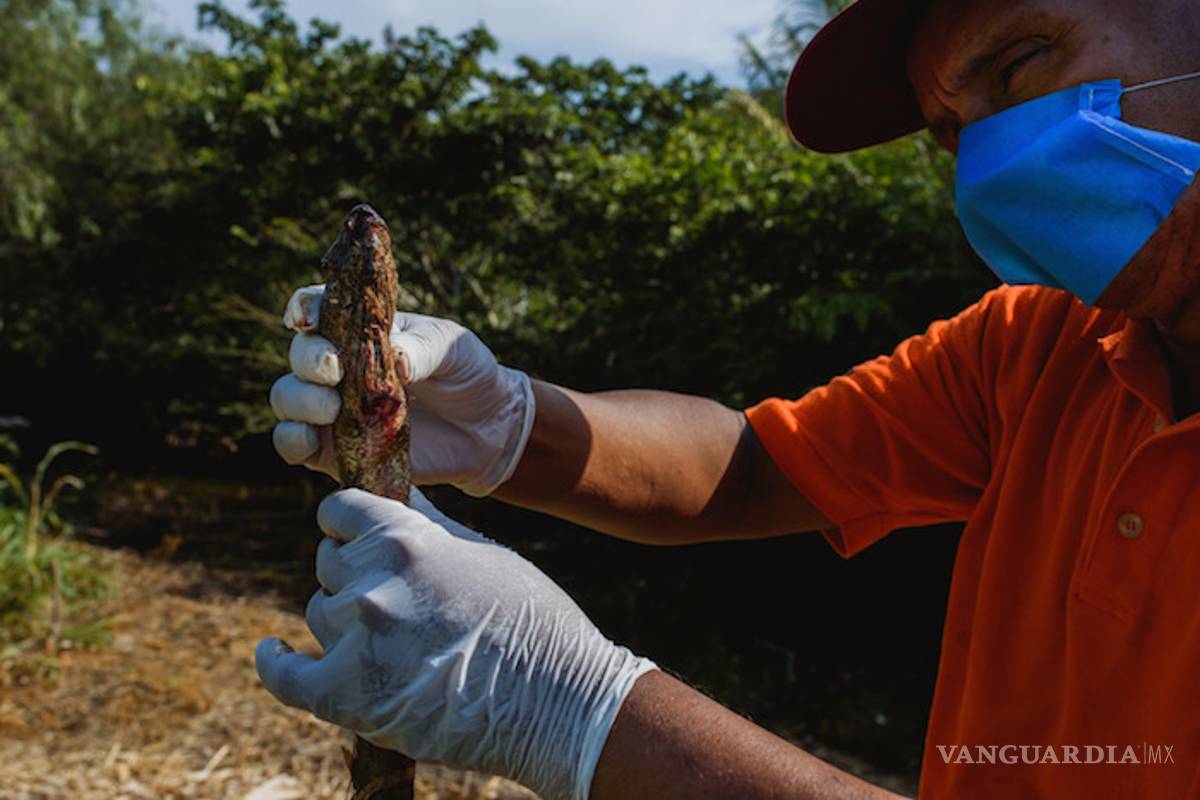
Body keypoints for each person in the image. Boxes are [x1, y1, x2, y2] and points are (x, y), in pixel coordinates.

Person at [258, 0, 1200, 796]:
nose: (991, 159)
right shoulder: (1041, 345)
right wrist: (512, 423)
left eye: (1021, 64)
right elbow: (753, 467)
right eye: (953, 131)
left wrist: (579, 712)